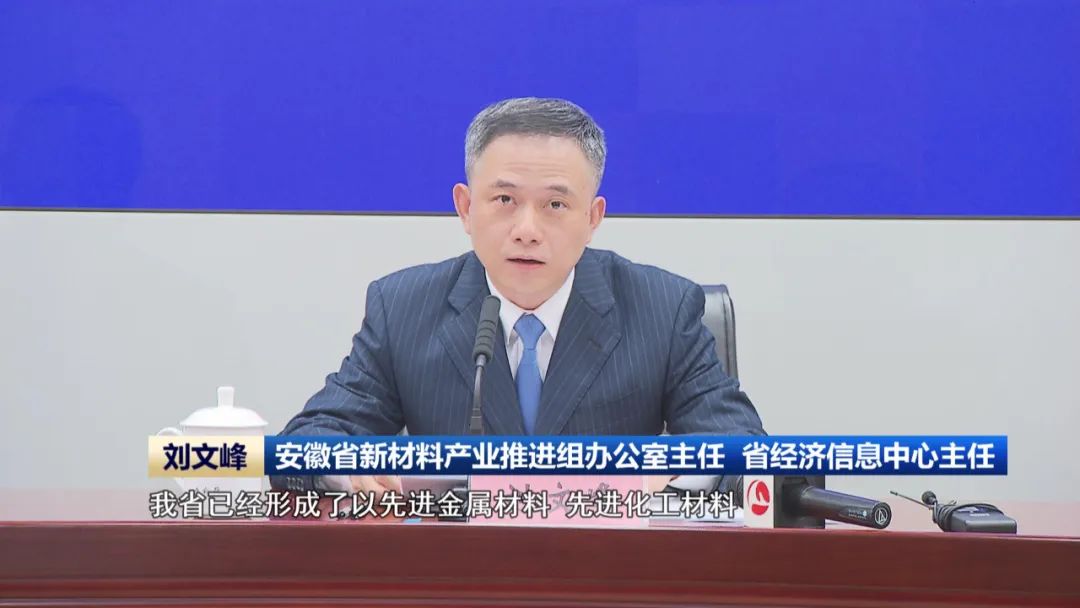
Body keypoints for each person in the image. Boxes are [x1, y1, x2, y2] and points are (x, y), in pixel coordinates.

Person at [273, 97, 765, 495]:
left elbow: (744, 448)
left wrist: (666, 476)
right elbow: (302, 445)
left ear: (592, 218)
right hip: (458, 569)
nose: (527, 230)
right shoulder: (403, 307)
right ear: (466, 208)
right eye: (505, 200)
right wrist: (348, 472)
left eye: (555, 204)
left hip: (608, 566)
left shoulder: (662, 307)